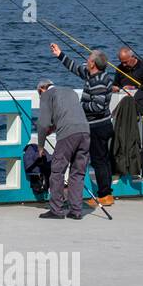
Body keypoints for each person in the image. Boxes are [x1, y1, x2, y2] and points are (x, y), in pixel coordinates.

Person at [50, 42, 116, 205]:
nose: (86, 61)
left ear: (93, 64)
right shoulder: (94, 75)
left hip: (98, 126)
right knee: (103, 159)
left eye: (88, 59)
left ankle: (104, 195)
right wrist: (60, 55)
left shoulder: (98, 81)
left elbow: (98, 106)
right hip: (103, 124)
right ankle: (107, 193)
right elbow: (75, 68)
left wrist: (78, 106)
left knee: (99, 160)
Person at [35, 78, 90, 220]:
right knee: (78, 173)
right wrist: (53, 128)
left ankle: (56, 210)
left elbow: (42, 124)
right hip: (85, 132)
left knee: (57, 171)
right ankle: (76, 210)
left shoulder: (47, 95)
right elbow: (68, 115)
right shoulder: (70, 91)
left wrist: (41, 146)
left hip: (67, 136)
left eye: (39, 94)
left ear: (42, 89)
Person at [113, 46, 143, 173]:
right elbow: (115, 84)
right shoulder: (120, 68)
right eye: (121, 62)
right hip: (123, 112)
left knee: (141, 144)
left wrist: (135, 87)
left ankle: (139, 171)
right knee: (121, 143)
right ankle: (121, 170)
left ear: (133, 57)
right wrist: (117, 88)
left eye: (126, 61)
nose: (123, 64)